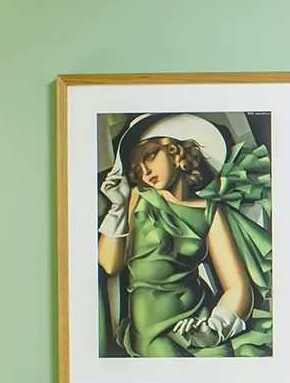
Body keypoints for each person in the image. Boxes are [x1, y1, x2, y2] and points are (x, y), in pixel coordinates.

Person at [94, 113, 274, 358]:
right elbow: (109, 264)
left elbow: (237, 286)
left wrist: (213, 328)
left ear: (175, 151)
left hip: (197, 326)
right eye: (137, 167)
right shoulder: (138, 198)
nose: (145, 171)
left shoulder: (209, 211)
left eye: (150, 155)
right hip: (151, 331)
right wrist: (117, 207)